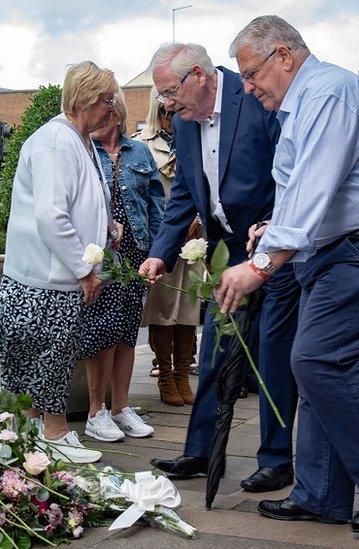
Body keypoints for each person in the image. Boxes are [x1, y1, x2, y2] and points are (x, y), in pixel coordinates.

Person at [217, 16, 359, 532]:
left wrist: (261, 266)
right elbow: (305, 193)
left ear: (284, 56)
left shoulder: (327, 94)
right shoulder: (304, 103)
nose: (246, 87)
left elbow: (314, 189)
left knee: (320, 357)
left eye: (250, 74)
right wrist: (271, 230)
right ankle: (321, 495)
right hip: (347, 247)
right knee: (313, 362)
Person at [138, 41, 301, 494]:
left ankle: (276, 460)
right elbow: (186, 196)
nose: (167, 105)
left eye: (170, 92)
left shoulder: (254, 98)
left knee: (271, 354)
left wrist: (275, 232)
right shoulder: (186, 124)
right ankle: (202, 450)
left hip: (274, 246)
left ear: (199, 75)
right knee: (214, 351)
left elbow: (290, 173)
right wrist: (160, 252)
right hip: (227, 250)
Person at [0, 61, 119, 464]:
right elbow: (52, 215)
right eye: (106, 99)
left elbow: (77, 201)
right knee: (48, 359)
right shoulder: (56, 142)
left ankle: (36, 439)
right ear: (85, 98)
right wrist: (84, 269)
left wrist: (104, 226)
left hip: (50, 277)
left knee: (50, 359)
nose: (112, 107)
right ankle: (56, 434)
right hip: (45, 279)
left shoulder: (74, 139)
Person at [80, 91, 163, 441]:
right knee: (102, 331)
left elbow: (156, 204)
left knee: (128, 331)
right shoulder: (84, 152)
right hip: (100, 254)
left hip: (135, 252)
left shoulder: (139, 151)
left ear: (116, 116)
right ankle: (95, 412)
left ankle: (120, 407)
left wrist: (159, 252)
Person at [133, 87, 204, 407]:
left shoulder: (198, 136)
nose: (172, 119)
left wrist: (200, 218)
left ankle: (180, 375)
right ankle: (164, 375)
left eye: (176, 112)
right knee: (162, 311)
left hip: (194, 240)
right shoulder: (140, 145)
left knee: (189, 308)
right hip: (161, 240)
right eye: (166, 113)